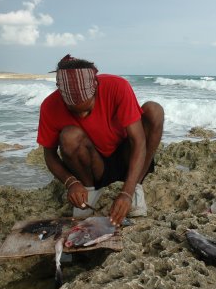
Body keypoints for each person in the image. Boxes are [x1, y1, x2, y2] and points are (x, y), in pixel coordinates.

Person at [37, 54, 164, 226]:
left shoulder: (118, 86)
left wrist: (126, 192)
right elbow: (49, 155)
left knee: (154, 111)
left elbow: (139, 142)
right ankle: (90, 191)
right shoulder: (49, 106)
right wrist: (71, 182)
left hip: (126, 156)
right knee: (69, 135)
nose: (82, 116)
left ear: (96, 87)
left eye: (87, 109)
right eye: (75, 111)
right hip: (94, 165)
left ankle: (136, 188)